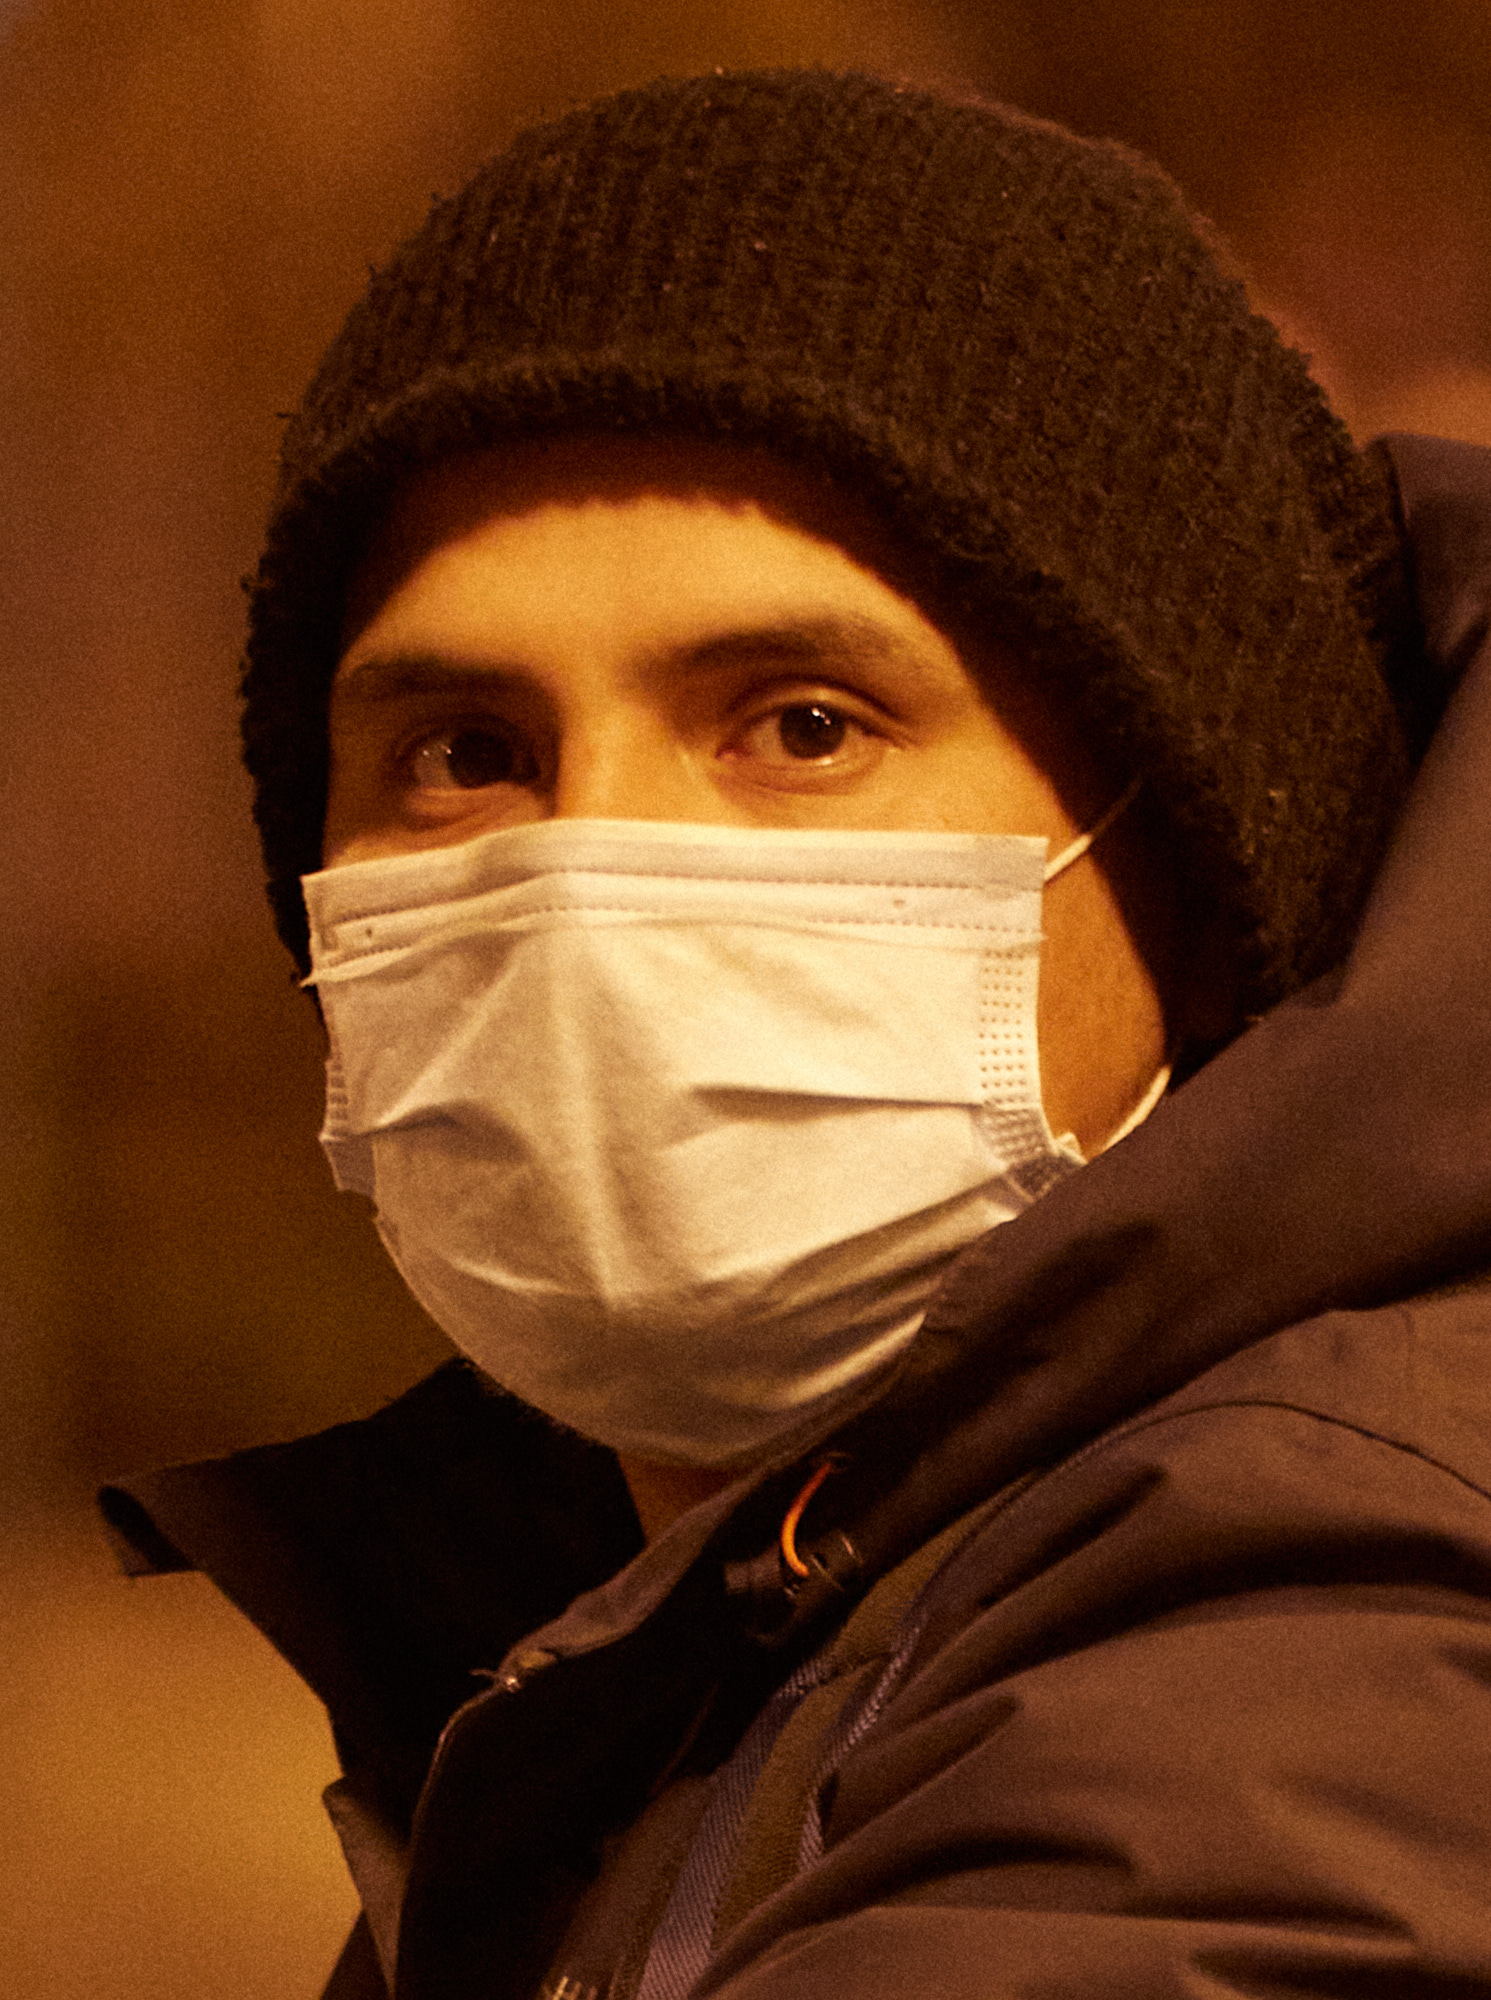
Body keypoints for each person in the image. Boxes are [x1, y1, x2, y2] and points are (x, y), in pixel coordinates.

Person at [102, 69, 1491, 1999]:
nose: (592, 876)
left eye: (804, 724)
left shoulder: (1312, 1655)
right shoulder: (732, 1643)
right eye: (467, 753)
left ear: (1195, 852)